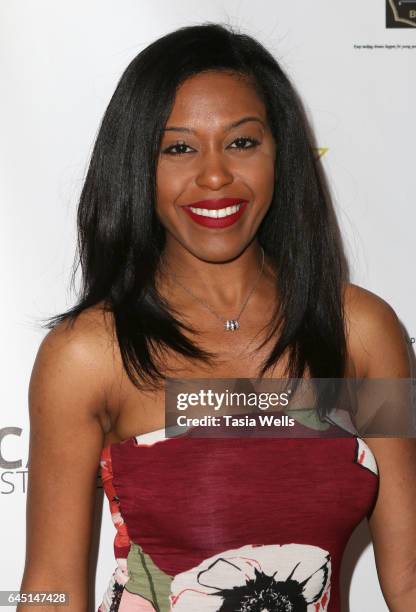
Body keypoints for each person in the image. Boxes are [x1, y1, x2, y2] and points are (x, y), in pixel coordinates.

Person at [18, 22, 416, 612]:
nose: (213, 176)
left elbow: (410, 575)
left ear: (280, 152)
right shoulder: (90, 354)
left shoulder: (360, 333)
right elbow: (51, 588)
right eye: (178, 147)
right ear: (138, 167)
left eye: (242, 142)